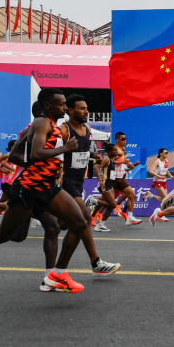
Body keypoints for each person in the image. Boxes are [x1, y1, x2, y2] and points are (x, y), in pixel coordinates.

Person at [0, 88, 98, 296]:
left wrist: (47, 166)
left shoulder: (50, 126)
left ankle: (57, 274)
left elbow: (15, 155)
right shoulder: (42, 123)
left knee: (77, 223)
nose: (64, 108)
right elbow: (35, 153)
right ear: (48, 105)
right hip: (29, 189)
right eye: (61, 104)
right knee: (3, 235)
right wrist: (63, 150)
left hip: (48, 187)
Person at [57, 94, 121, 276]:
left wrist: (93, 156)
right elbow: (52, 152)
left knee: (61, 225)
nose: (86, 111)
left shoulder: (87, 128)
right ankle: (95, 262)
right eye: (82, 108)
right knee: (84, 218)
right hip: (65, 182)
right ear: (70, 110)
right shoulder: (64, 130)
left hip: (79, 182)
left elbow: (83, 151)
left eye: (86, 108)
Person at [146, 147, 174, 225]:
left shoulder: (166, 161)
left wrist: (171, 176)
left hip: (164, 182)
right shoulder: (157, 161)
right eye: (165, 152)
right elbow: (151, 171)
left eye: (167, 152)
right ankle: (160, 214)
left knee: (165, 199)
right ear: (160, 153)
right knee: (166, 199)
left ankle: (151, 196)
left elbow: (166, 170)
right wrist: (159, 176)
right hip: (157, 181)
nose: (166, 154)